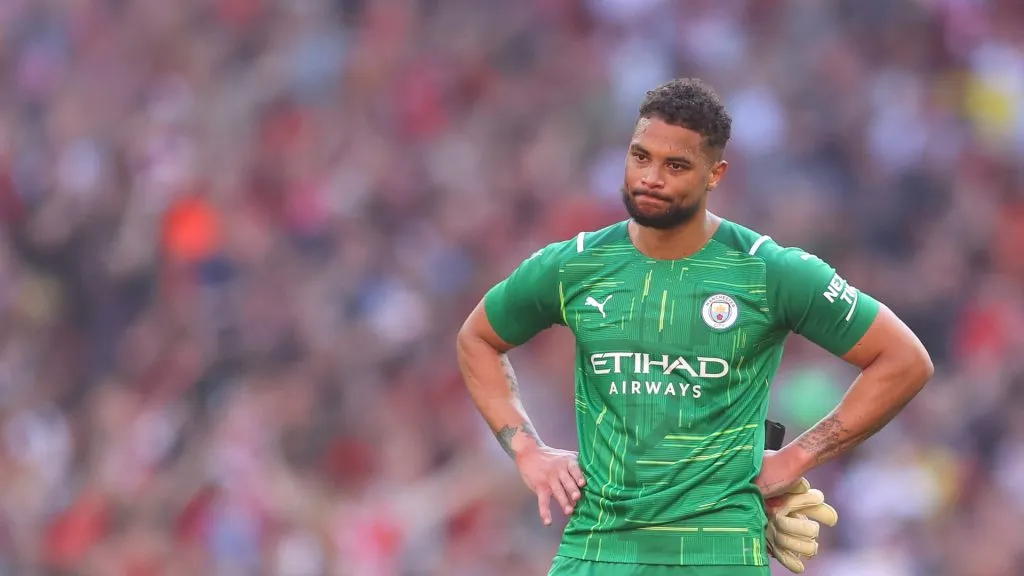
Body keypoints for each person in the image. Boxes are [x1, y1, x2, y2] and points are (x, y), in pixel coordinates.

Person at [455, 78, 933, 575]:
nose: (651, 177)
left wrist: (794, 460)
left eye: (675, 165)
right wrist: (527, 451)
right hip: (596, 551)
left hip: (718, 555)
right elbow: (479, 339)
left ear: (715, 174)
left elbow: (903, 360)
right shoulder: (576, 265)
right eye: (641, 157)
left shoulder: (769, 271)